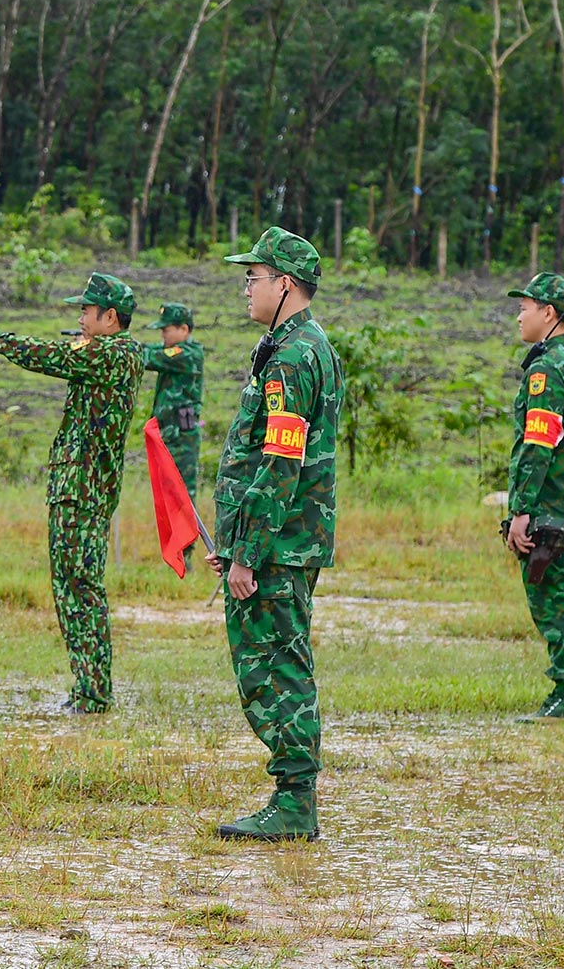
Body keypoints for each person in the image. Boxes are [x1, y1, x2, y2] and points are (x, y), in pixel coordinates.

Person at [0, 274, 143, 714]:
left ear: (110, 317)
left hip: (82, 490)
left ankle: (93, 692)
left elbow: (50, 356)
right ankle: (88, 687)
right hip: (78, 488)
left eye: (87, 311)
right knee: (71, 587)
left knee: (80, 588)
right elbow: (67, 352)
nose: (80, 317)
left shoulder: (115, 352)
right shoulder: (107, 352)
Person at [204, 228, 341, 843]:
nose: (246, 287)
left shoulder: (293, 356)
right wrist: (234, 541)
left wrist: (250, 552)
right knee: (279, 660)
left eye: (254, 277)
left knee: (278, 666)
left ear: (285, 283)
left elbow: (281, 462)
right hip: (276, 542)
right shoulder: (290, 346)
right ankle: (292, 797)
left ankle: (294, 802)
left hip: (279, 547)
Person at [502, 272, 564, 724]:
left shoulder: (547, 369)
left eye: (525, 307)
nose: (518, 315)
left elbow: (538, 444)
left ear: (549, 313)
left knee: (556, 599)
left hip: (550, 507)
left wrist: (521, 510)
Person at [141, 302, 205, 499]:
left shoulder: (188, 354)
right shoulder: (176, 352)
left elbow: (148, 356)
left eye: (166, 330)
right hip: (168, 433)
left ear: (184, 329)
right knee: (166, 496)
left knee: (182, 498)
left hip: (181, 437)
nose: (163, 335)